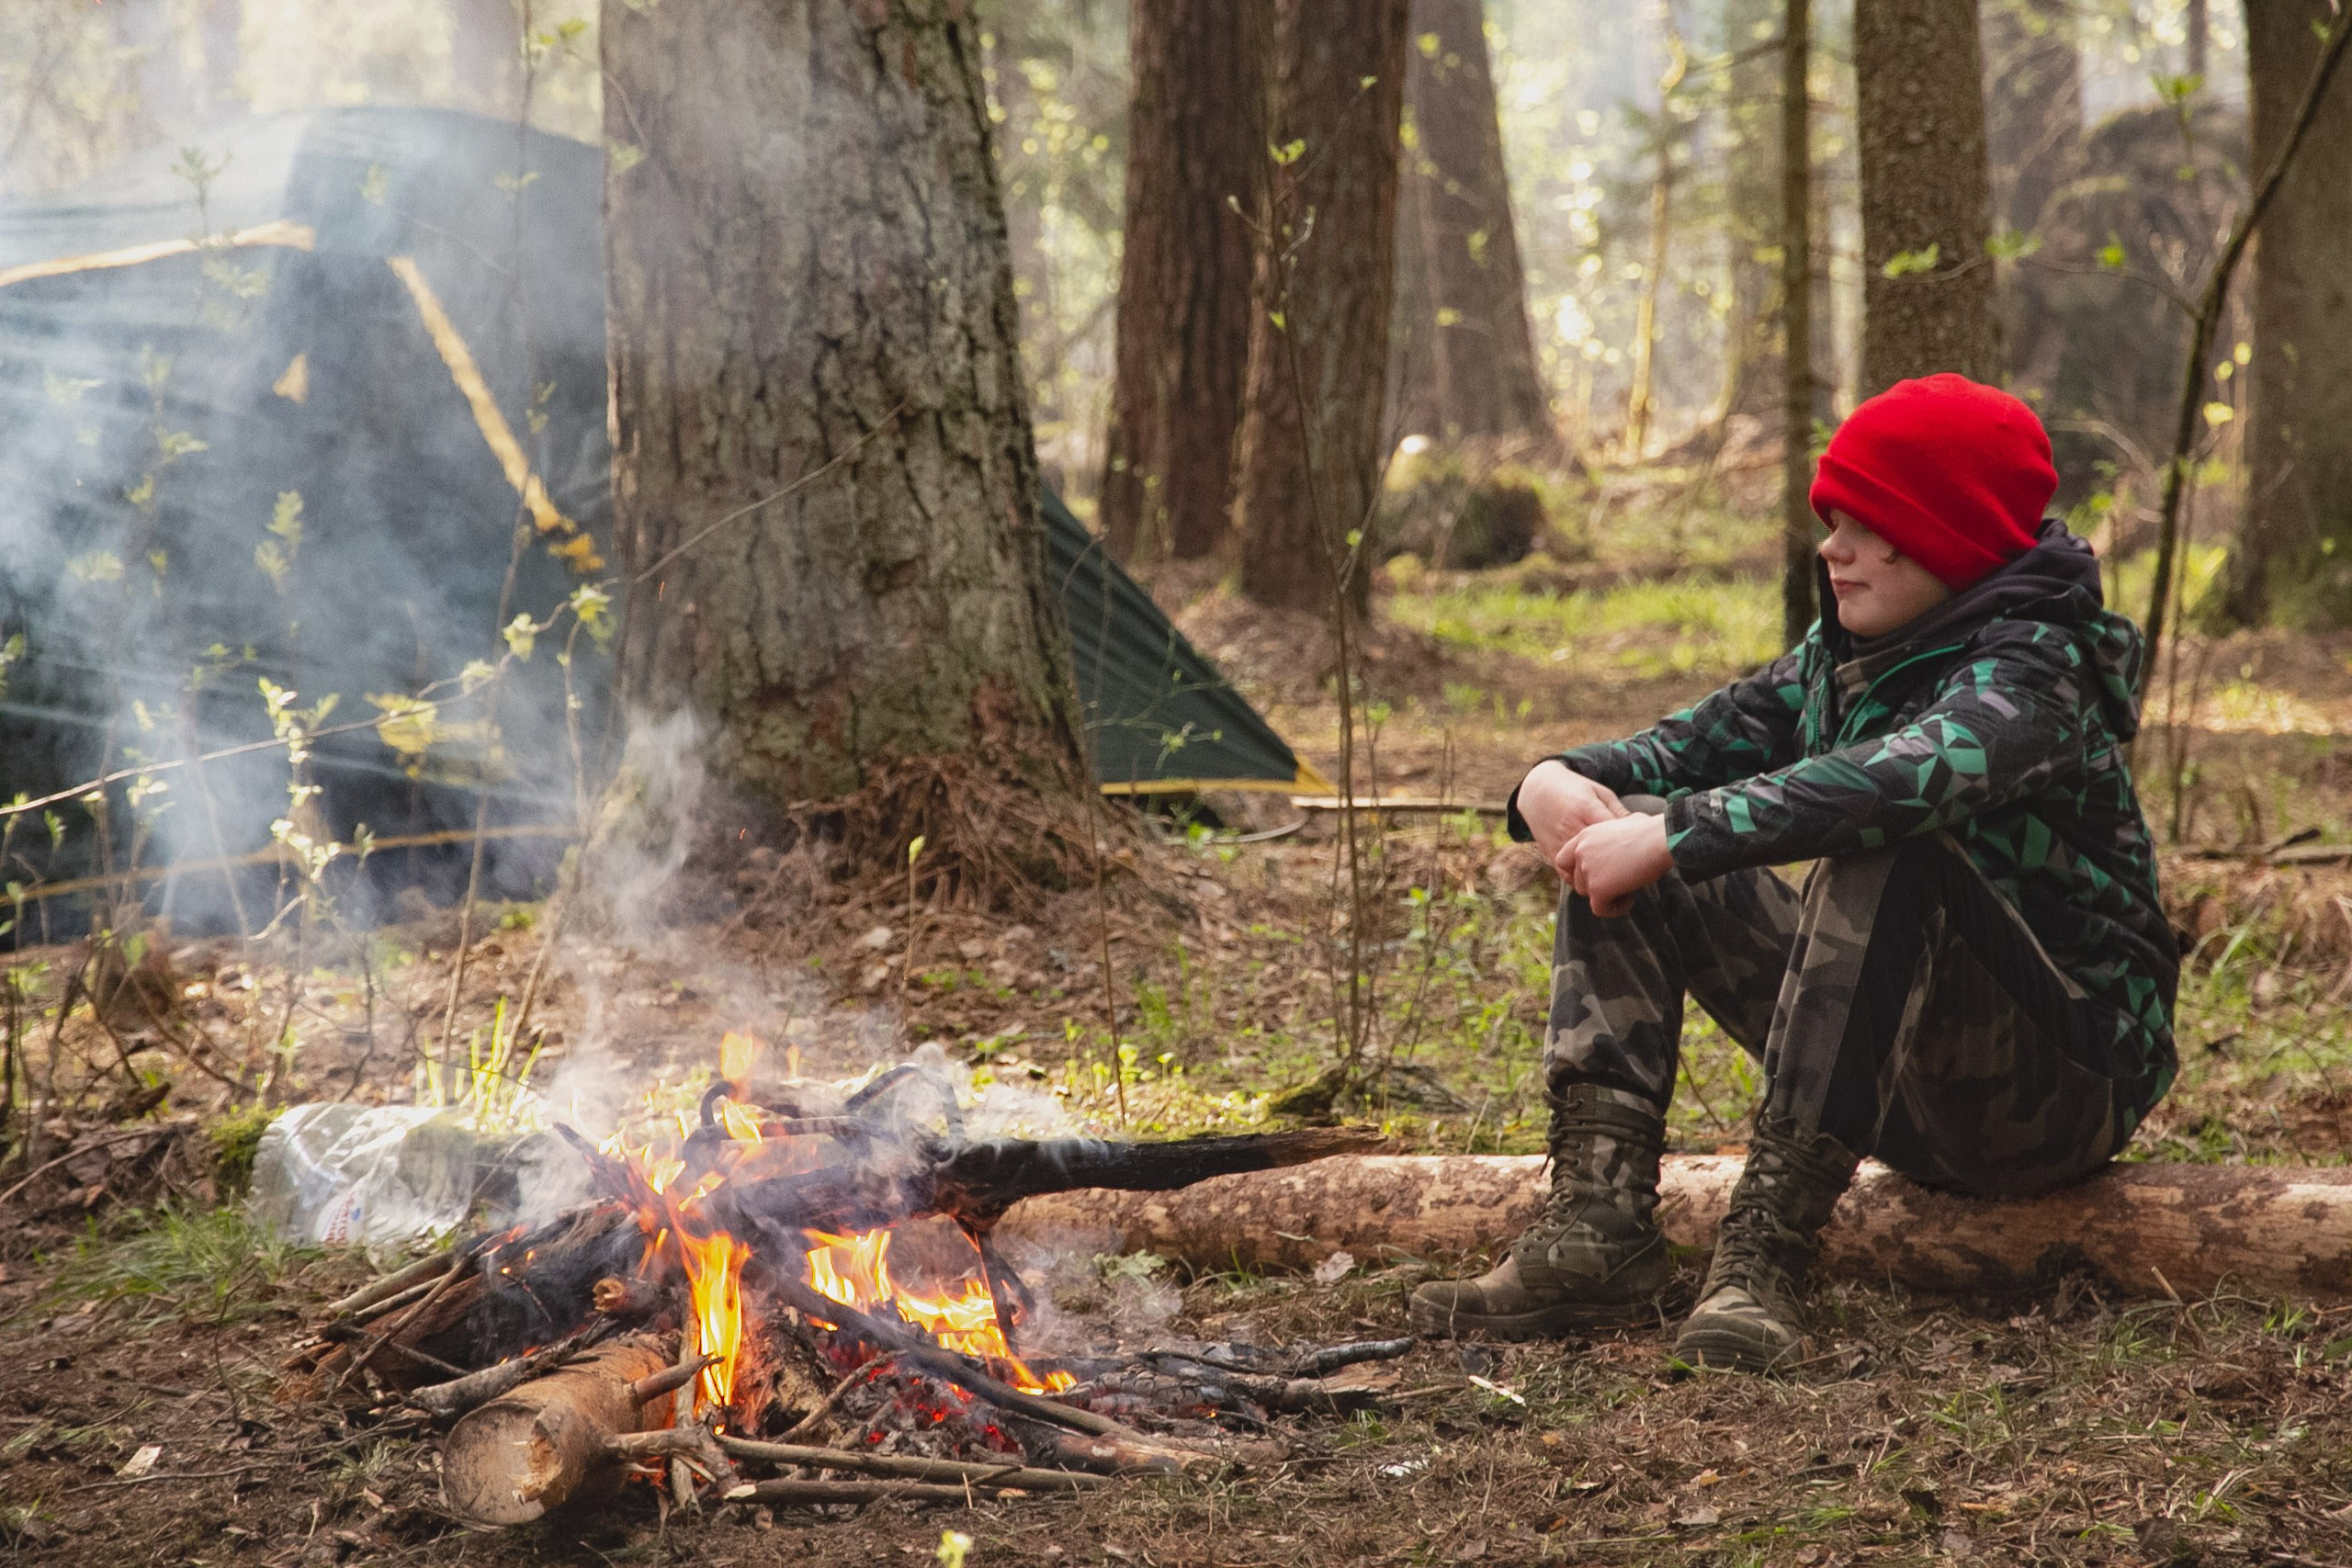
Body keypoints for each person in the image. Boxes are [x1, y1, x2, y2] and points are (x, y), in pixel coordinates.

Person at [1409, 374, 2178, 1372]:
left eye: (1868, 524)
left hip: (2056, 1089)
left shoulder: (2039, 672)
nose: (1832, 548)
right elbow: (1676, 752)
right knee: (1626, 830)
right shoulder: (1845, 653)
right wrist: (1548, 781)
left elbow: (1901, 778)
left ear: (1947, 535)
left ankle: (1763, 1257)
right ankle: (1597, 1231)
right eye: (1833, 521)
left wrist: (1677, 833)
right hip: (1899, 1078)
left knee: (1885, 837)